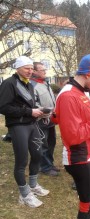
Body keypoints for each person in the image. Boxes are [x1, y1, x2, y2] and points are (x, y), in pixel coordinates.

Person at [53, 54, 90, 219]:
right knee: (89, 203)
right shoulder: (69, 95)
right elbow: (73, 136)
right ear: (87, 74)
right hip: (81, 158)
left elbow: (85, 119)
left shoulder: (81, 91)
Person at [0, 56, 49, 208]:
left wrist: (39, 110)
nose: (30, 71)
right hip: (18, 126)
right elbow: (3, 107)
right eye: (26, 68)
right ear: (17, 68)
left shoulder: (29, 85)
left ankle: (33, 185)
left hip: (31, 124)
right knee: (21, 161)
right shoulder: (9, 83)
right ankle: (24, 194)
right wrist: (30, 111)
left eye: (31, 68)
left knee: (38, 155)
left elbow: (30, 105)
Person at [31, 62, 58, 176]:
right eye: (42, 70)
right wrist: (44, 110)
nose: (45, 72)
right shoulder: (32, 85)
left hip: (50, 119)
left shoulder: (46, 83)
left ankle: (50, 163)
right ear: (34, 71)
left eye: (44, 69)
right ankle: (45, 167)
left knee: (52, 142)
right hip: (40, 120)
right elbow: (33, 103)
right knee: (43, 144)